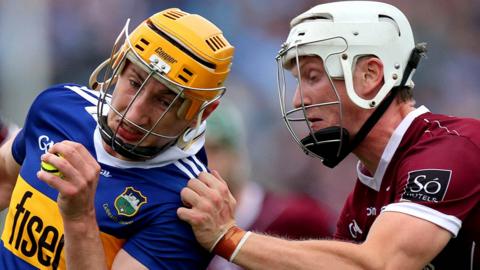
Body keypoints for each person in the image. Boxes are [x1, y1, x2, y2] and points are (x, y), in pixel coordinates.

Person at [177, 1, 480, 269]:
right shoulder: (361, 201)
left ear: (370, 75)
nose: (298, 99)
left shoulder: (452, 148)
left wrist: (229, 238)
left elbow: (382, 265)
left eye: (312, 76)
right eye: (299, 81)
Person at [0, 7, 234, 269]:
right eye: (134, 83)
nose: (134, 113)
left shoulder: (188, 205)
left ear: (202, 113)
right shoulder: (58, 108)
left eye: (164, 101)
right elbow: (5, 182)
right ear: (118, 64)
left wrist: (80, 218)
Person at [204, 102, 334, 270]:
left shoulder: (295, 218)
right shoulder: (179, 225)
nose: (203, 161)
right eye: (193, 153)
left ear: (235, 155)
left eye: (212, 149)